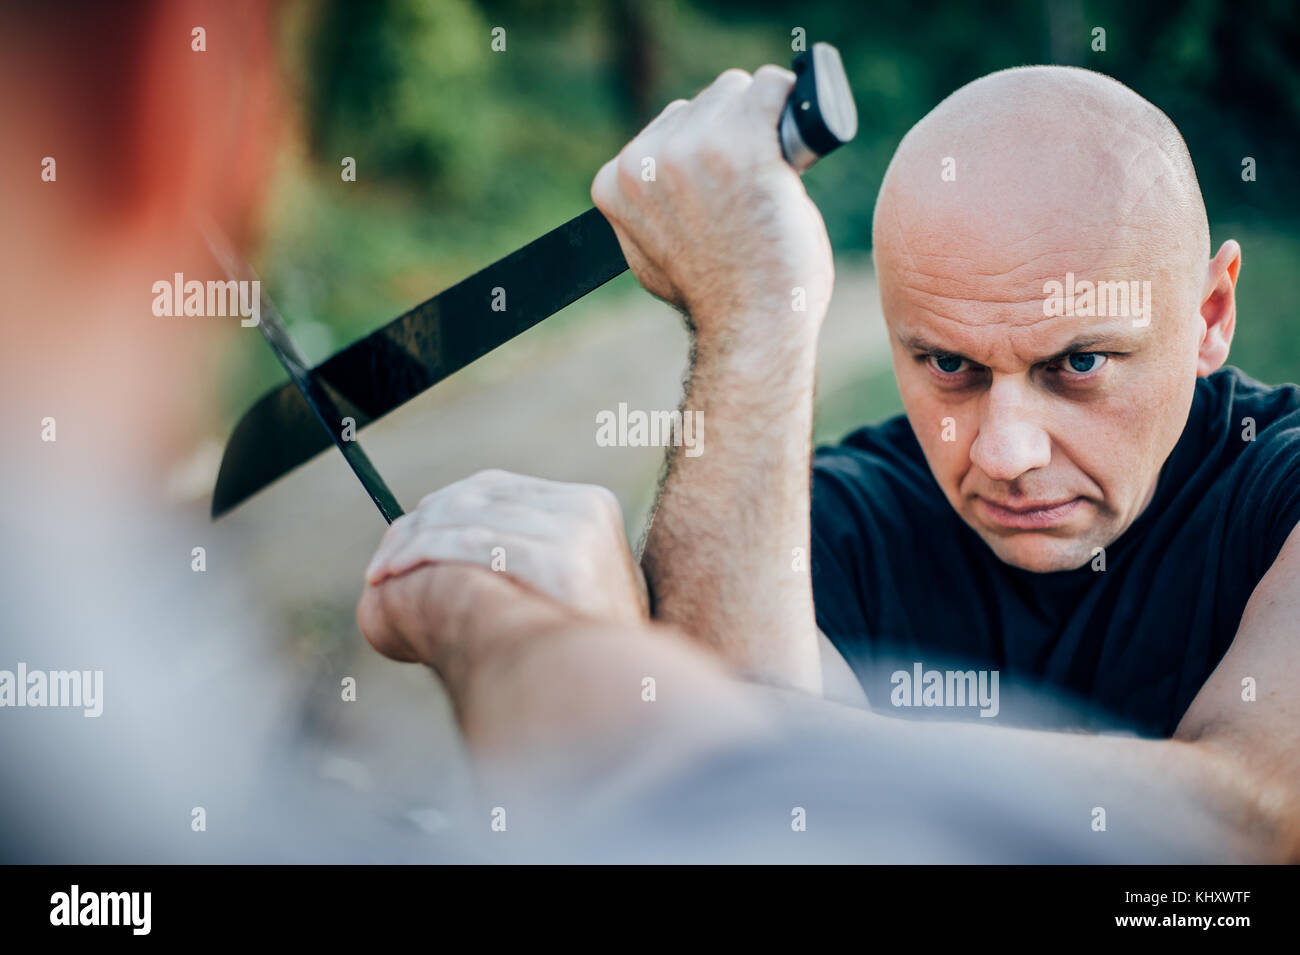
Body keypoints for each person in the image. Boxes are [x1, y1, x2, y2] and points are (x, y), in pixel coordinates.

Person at [362, 65, 1300, 859]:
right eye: (948, 366)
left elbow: (1248, 823)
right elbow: (720, 848)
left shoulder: (1281, 486)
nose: (1006, 454)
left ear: (1211, 315)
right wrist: (753, 309)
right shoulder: (830, 529)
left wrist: (630, 681)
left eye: (1080, 364)